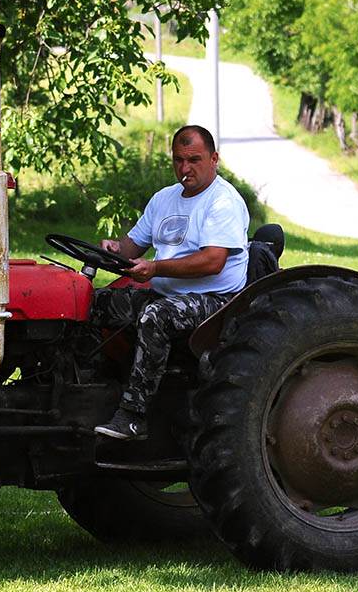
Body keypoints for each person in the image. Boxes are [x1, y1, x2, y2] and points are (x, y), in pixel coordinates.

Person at [93, 125, 250, 441]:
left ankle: (134, 416)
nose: (185, 168)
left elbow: (212, 261)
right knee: (96, 303)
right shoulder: (164, 199)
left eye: (194, 159)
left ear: (214, 158)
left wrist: (156, 267)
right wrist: (115, 249)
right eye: (179, 160)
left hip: (217, 300)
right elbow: (132, 247)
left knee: (157, 316)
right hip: (165, 292)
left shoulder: (223, 201)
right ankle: (94, 387)